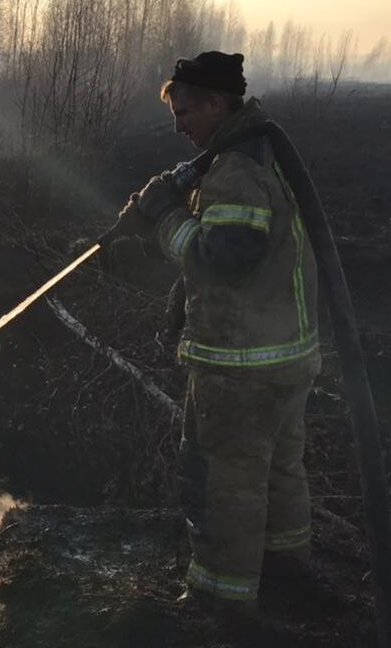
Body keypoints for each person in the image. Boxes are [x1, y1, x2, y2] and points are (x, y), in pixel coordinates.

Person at [110, 51, 320, 616]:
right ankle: (284, 574)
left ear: (217, 103)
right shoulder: (258, 154)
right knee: (277, 471)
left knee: (225, 481)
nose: (179, 126)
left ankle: (218, 602)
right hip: (283, 360)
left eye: (185, 113)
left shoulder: (235, 171)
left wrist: (167, 221)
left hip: (240, 367)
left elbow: (226, 258)